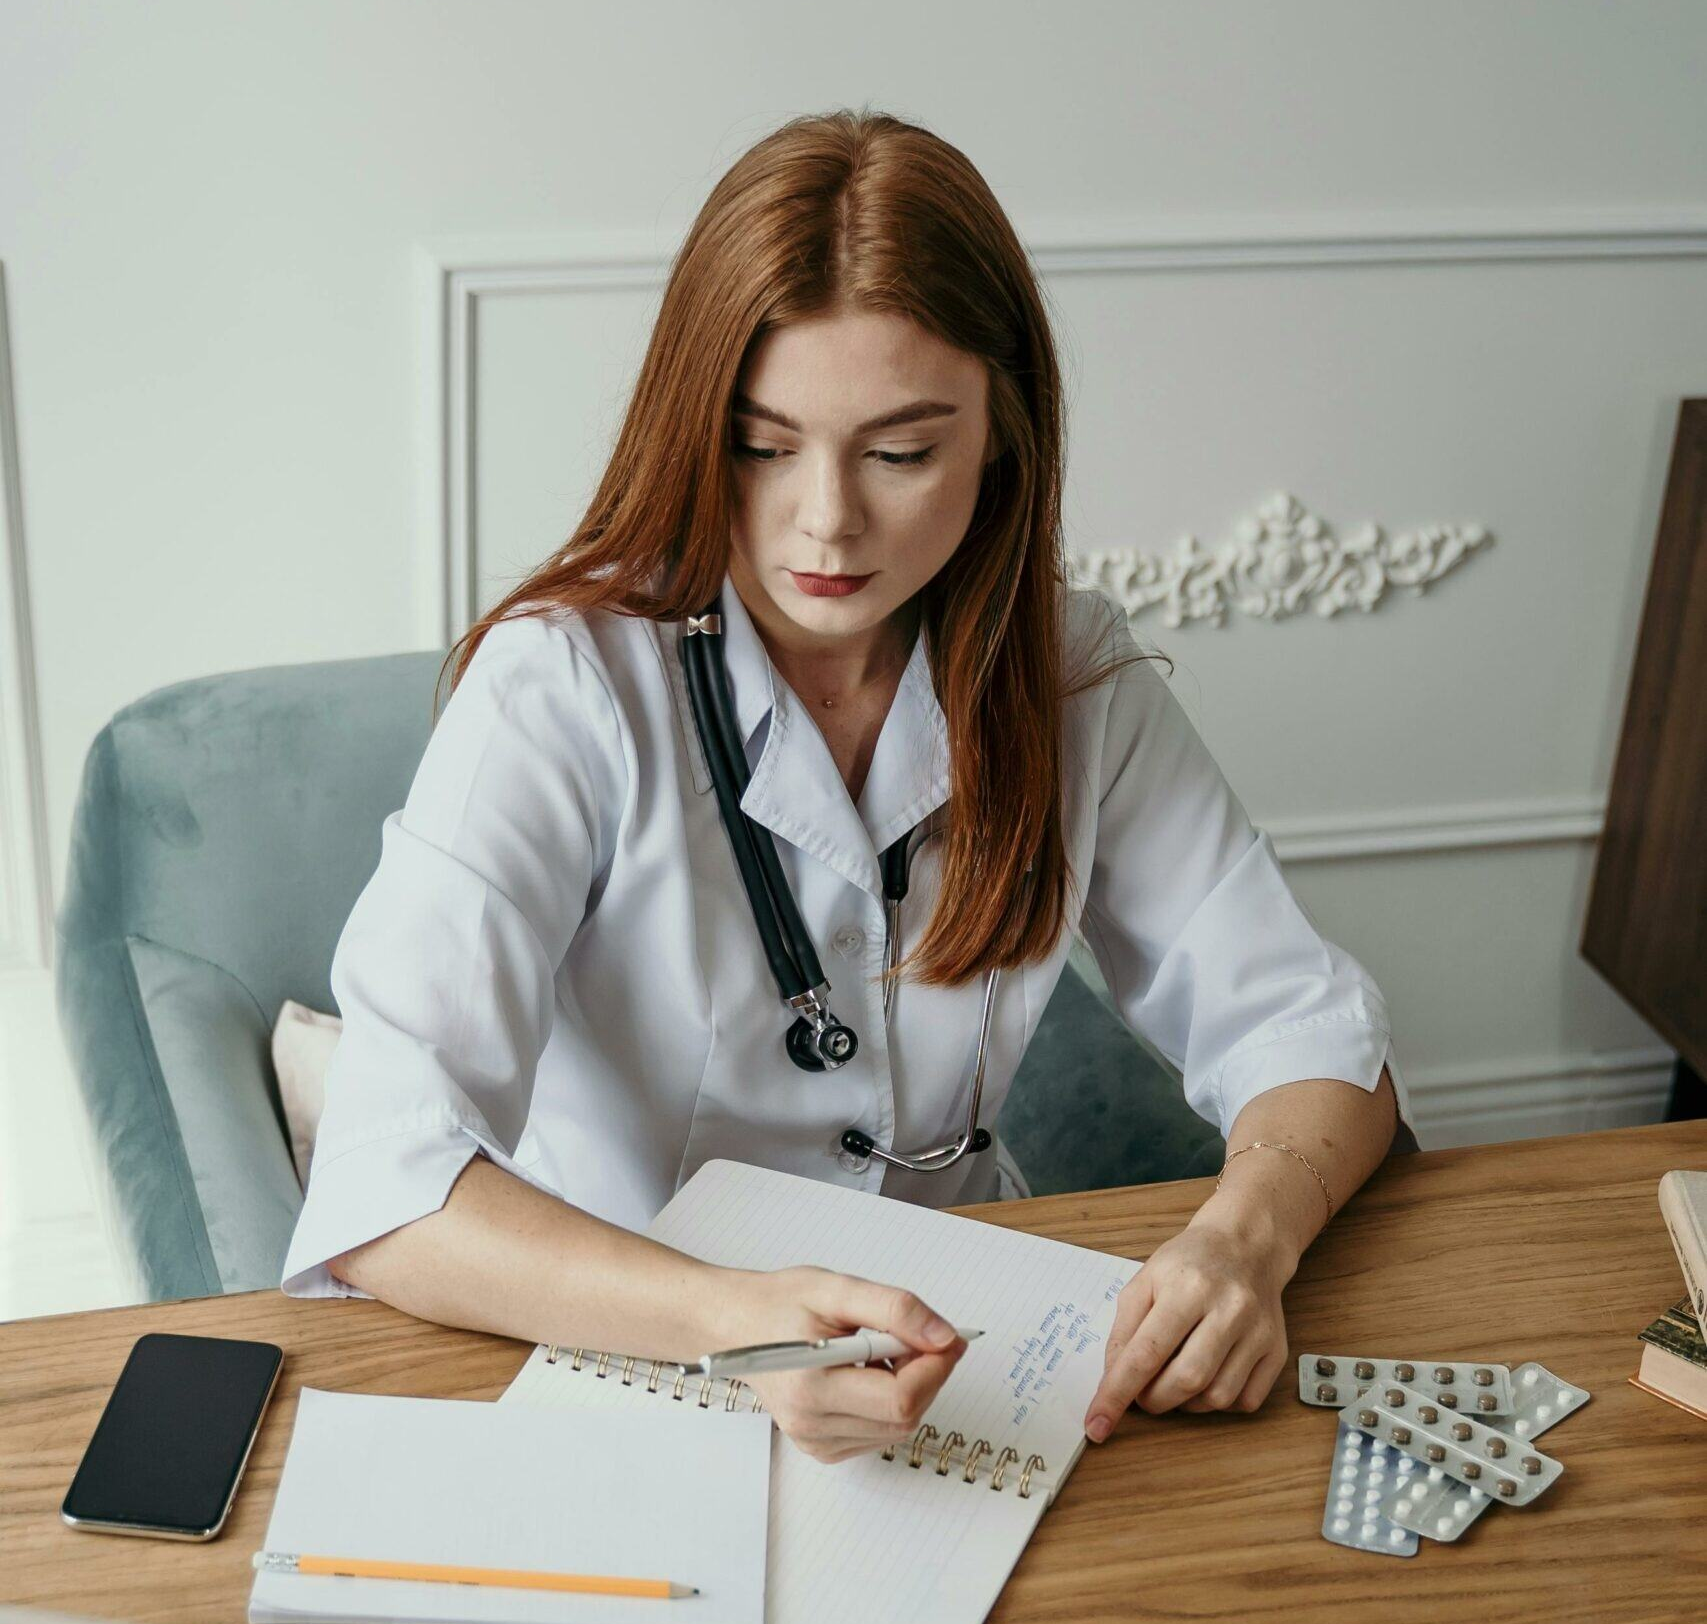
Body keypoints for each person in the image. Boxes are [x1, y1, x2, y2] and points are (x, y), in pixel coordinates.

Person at [278, 107, 1418, 1465]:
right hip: (632, 1344)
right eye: (763, 446)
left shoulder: (1072, 671)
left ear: (1002, 437)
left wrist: (1242, 1241)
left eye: (899, 452)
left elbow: (1310, 1036)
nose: (825, 520)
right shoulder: (559, 686)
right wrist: (736, 1326)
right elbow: (385, 1182)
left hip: (973, 1346)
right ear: (694, 425)